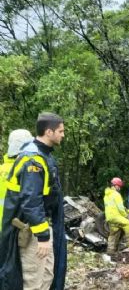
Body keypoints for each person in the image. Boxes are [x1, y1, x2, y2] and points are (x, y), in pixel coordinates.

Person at [0, 113, 67, 290]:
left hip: (43, 227)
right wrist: (43, 236)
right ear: (49, 132)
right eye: (60, 131)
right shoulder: (33, 160)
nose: (63, 135)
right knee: (34, 282)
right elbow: (30, 201)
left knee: (47, 276)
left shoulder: (44, 156)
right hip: (33, 233)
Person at [103, 177, 129, 255]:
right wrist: (127, 216)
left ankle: (110, 251)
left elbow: (113, 207)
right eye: (119, 186)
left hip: (109, 217)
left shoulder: (106, 195)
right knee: (128, 224)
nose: (119, 188)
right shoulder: (116, 194)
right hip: (116, 216)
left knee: (114, 233)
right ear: (116, 186)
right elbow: (120, 208)